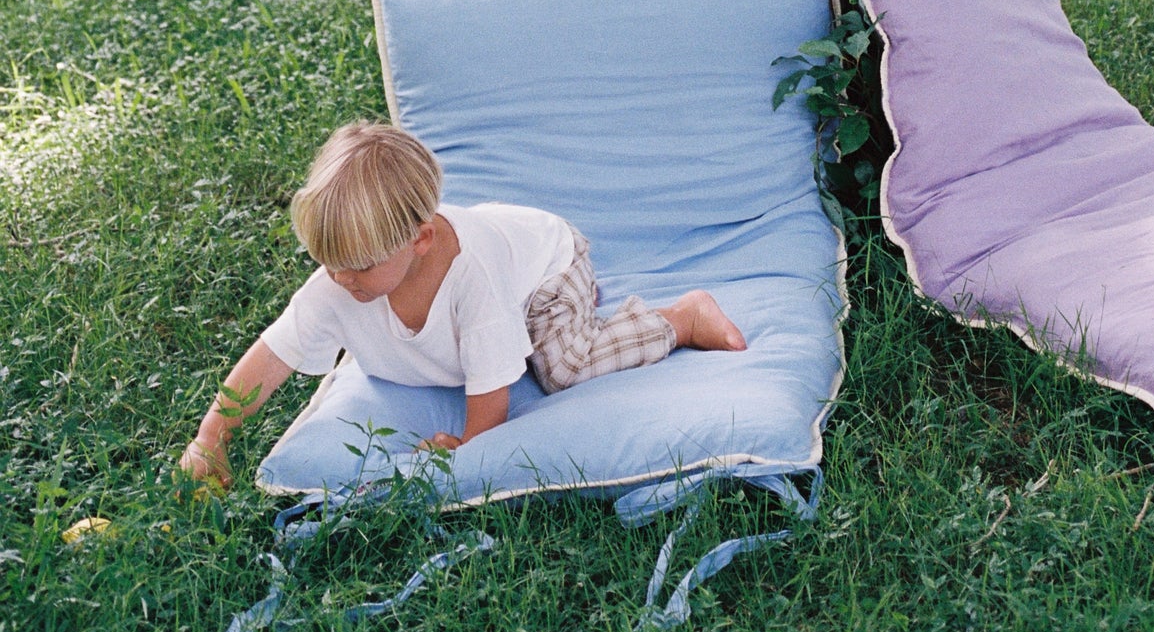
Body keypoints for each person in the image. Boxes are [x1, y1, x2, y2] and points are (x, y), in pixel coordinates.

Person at [180, 120, 746, 488]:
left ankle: (681, 317)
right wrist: (212, 438)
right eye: (330, 263)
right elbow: (271, 357)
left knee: (561, 368)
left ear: (419, 240)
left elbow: (491, 399)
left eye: (358, 266)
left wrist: (471, 446)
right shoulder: (345, 278)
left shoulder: (471, 280)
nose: (339, 278)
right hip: (501, 262)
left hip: (547, 269)